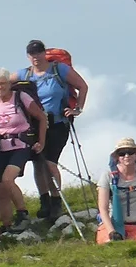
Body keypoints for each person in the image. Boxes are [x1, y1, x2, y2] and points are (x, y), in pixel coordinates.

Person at [18, 40, 88, 226]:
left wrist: (77, 109)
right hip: (34, 125)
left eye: (38, 53)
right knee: (38, 164)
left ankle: (56, 199)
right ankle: (45, 201)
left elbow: (82, 86)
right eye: (32, 54)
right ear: (28, 56)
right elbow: (3, 81)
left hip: (58, 123)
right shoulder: (25, 73)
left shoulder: (59, 70)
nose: (35, 57)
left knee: (49, 162)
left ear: (44, 53)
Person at [0, 66, 47, 243]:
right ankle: (7, 225)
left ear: (9, 83)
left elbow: (41, 117)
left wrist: (41, 141)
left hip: (21, 145)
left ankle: (22, 213)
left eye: (2, 83)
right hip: (2, 148)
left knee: (7, 180)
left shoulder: (21, 97)